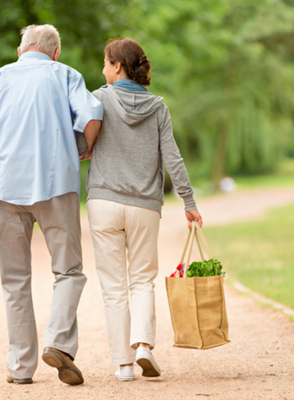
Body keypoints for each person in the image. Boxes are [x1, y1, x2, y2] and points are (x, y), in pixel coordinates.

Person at [0, 24, 102, 386]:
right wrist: (82, 150)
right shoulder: (66, 75)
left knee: (14, 280)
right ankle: (58, 343)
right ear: (55, 52)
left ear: (21, 50)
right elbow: (93, 116)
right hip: (56, 185)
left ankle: (21, 367)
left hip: (7, 189)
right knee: (69, 271)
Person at [86, 38, 202, 382]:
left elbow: (81, 143)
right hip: (144, 207)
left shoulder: (98, 99)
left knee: (113, 285)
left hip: (104, 203)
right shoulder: (158, 108)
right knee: (141, 281)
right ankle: (144, 348)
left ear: (118, 66)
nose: (103, 69)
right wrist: (189, 202)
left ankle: (123, 365)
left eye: (106, 63)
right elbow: (173, 159)